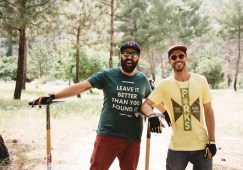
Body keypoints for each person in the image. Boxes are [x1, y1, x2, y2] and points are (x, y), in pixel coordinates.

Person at [29, 41, 162, 170]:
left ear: (138, 58)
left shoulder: (143, 80)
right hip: (108, 135)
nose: (129, 57)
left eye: (133, 55)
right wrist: (52, 96)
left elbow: (151, 101)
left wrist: (159, 115)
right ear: (120, 55)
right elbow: (81, 87)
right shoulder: (107, 75)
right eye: (126, 53)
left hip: (133, 138)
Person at [140, 45, 217, 170]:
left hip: (202, 145)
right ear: (169, 62)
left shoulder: (201, 80)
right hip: (177, 147)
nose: (178, 59)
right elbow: (145, 105)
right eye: (174, 57)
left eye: (181, 56)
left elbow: (209, 111)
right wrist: (152, 116)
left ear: (187, 58)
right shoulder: (165, 84)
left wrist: (212, 141)